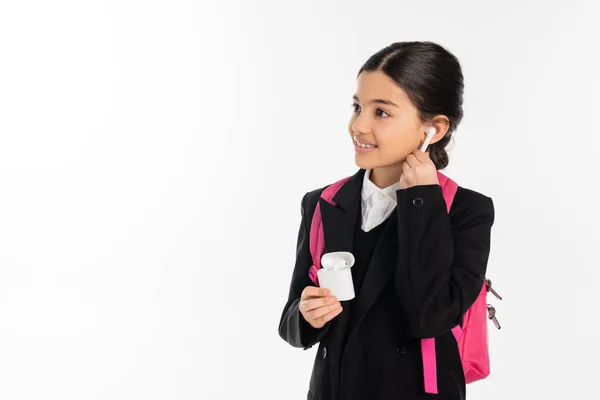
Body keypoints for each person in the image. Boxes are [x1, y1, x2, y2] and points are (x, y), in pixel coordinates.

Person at [278, 41, 495, 400]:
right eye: (357, 106)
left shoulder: (466, 210)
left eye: (381, 112)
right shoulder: (322, 203)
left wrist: (420, 202)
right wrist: (305, 316)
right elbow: (291, 323)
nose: (358, 125)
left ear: (434, 129)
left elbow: (428, 317)